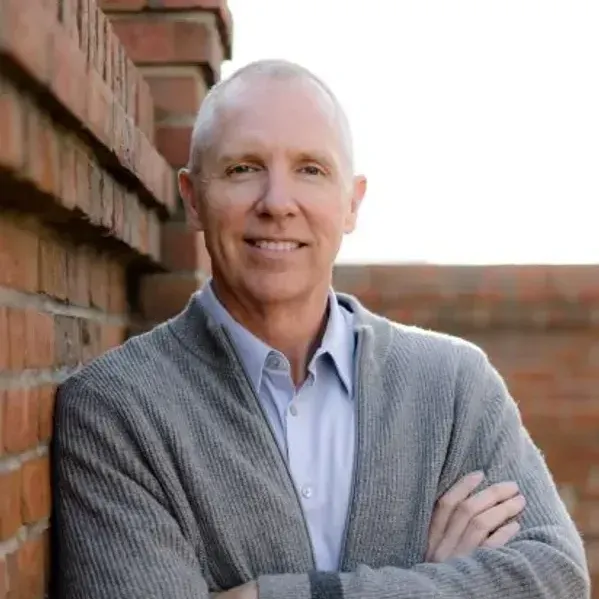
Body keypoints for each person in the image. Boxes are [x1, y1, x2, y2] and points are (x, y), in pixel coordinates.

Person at [52, 59, 589, 599]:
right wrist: (436, 582)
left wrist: (277, 594)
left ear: (351, 203)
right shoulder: (115, 409)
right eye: (243, 168)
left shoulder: (455, 388)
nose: (278, 203)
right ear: (193, 199)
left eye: (310, 169)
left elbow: (557, 578)